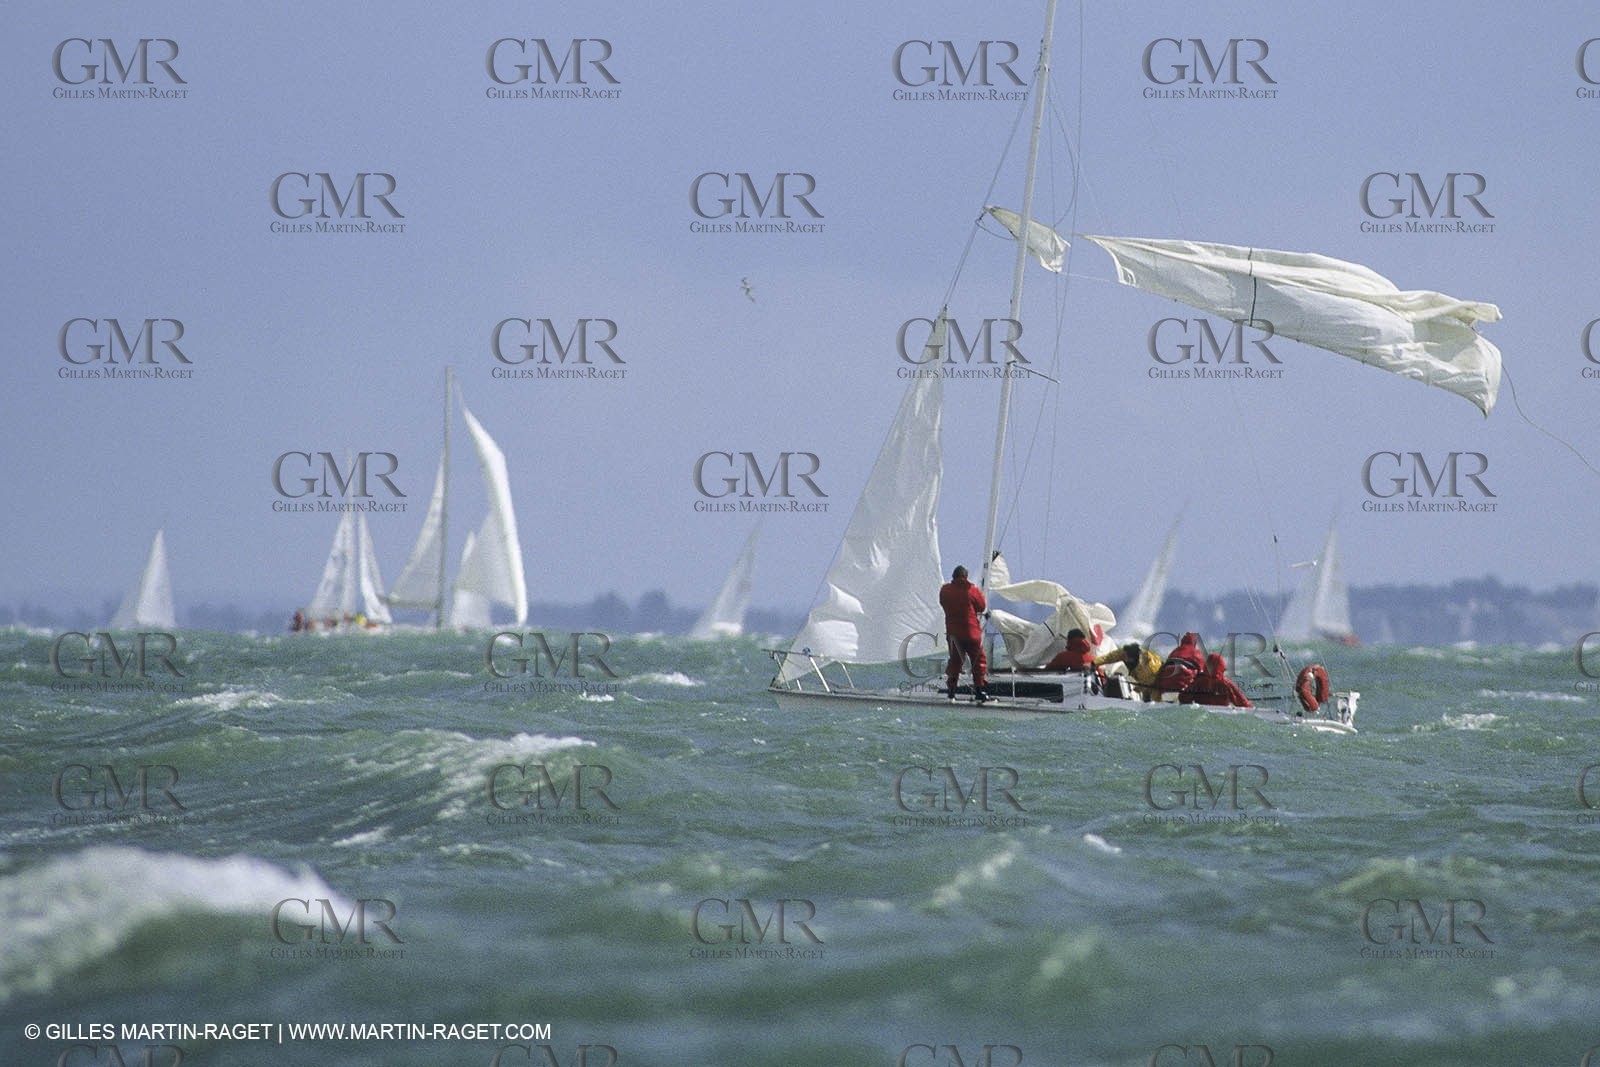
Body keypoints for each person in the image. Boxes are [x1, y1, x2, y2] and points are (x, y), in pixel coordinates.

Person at [939, 564, 988, 702]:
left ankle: (951, 691)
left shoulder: (945, 590)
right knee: (978, 661)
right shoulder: (971, 589)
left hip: (953, 634)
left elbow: (943, 602)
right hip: (971, 633)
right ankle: (979, 691)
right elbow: (981, 607)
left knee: (955, 662)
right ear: (966, 577)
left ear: (953, 576)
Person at [1180, 653, 1254, 708]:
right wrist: (1251, 706)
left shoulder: (1198, 682)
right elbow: (1242, 703)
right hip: (1222, 714)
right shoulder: (1226, 683)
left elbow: (1183, 698)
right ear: (1222, 666)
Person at [1095, 642, 1164, 701]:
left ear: (1134, 658)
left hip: (1157, 677)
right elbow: (1109, 657)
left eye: (1126, 657)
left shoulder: (1147, 667)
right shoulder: (1124, 652)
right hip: (1143, 676)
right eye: (1124, 655)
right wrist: (1095, 663)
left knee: (1152, 695)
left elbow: (1146, 684)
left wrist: (1134, 691)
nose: (1124, 658)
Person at [1155, 631, 1206, 697]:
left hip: (1164, 687)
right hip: (1182, 687)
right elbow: (1202, 671)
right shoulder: (1197, 653)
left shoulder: (1175, 651)